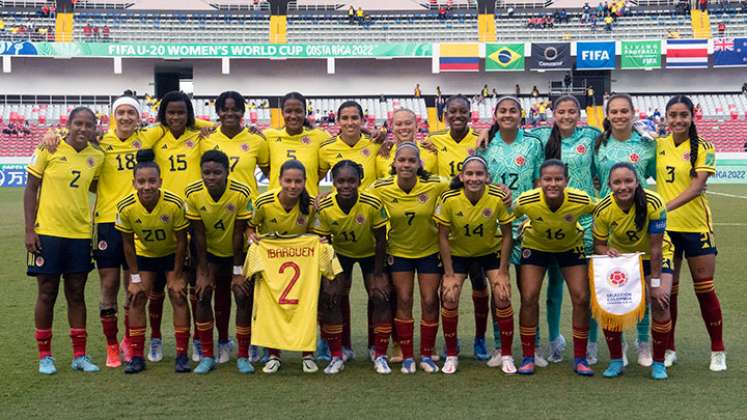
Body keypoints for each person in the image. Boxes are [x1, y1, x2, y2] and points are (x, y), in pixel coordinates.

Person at [25, 107, 105, 375]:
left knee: (76, 294)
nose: (82, 129)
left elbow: (95, 186)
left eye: (88, 125)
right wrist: (29, 230)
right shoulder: (49, 147)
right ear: (68, 125)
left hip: (80, 234)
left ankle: (79, 356)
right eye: (78, 124)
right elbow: (30, 188)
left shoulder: (97, 156)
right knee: (46, 292)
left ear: (95, 128)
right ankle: (45, 356)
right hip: (47, 232)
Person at [656, 95, 726, 372]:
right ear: (666, 117)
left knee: (704, 290)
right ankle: (670, 348)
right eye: (672, 115)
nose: (677, 120)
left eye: (683, 115)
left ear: (691, 116)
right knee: (667, 293)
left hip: (696, 227)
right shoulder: (658, 146)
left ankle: (717, 350)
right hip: (666, 231)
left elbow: (697, 187)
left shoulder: (704, 147)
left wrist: (662, 207)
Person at [477, 96, 544, 367]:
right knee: (500, 292)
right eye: (502, 111)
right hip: (496, 228)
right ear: (495, 115)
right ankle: (498, 346)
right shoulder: (484, 144)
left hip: (527, 226)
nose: (508, 115)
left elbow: (540, 181)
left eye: (512, 110)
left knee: (529, 293)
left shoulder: (533, 144)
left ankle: (534, 346)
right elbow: (478, 181)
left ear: (521, 114)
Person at [512, 160, 596, 376]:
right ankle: (529, 357)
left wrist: (604, 241)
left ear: (566, 181)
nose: (553, 183)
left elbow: (603, 210)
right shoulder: (526, 200)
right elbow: (508, 214)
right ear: (539, 181)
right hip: (535, 246)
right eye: (547, 179)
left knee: (581, 298)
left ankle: (580, 358)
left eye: (558, 179)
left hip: (569, 247)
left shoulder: (580, 199)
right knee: (529, 297)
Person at [532, 95, 600, 364]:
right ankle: (554, 340)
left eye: (572, 111)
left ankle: (591, 343)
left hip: (584, 224)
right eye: (561, 111)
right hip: (552, 222)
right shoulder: (541, 139)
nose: (567, 116)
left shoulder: (591, 137)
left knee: (586, 289)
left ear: (579, 114)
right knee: (554, 286)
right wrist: (486, 133)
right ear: (553, 113)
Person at [370, 143, 449, 374]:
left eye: (411, 161)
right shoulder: (381, 187)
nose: (406, 164)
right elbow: (357, 196)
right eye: (402, 160)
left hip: (429, 251)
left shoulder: (435, 184)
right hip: (399, 252)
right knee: (403, 300)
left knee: (429, 300)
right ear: (394, 163)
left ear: (419, 163)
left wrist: (501, 190)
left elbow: (464, 183)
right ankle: (406, 356)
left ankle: (426, 354)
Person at [434, 156, 516, 374]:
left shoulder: (498, 197)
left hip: (489, 252)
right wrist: (449, 274)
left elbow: (508, 235)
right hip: (459, 254)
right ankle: (452, 354)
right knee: (449, 295)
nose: (474, 178)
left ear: (487, 177)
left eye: (479, 174)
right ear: (461, 176)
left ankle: (506, 354)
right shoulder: (449, 198)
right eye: (469, 174)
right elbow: (442, 237)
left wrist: (503, 271)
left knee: (502, 293)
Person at [428, 95, 494, 360]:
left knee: (479, 281)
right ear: (445, 115)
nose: (457, 115)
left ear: (470, 114)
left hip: (477, 222)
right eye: (452, 111)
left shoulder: (481, 139)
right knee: (448, 287)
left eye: (462, 111)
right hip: (447, 223)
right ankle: (449, 342)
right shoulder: (433, 142)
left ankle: (479, 339)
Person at [593, 162, 674, 380]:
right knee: (610, 305)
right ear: (609, 185)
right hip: (623, 261)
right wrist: (607, 250)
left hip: (653, 257)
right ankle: (617, 360)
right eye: (617, 182)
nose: (623, 187)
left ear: (637, 182)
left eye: (628, 181)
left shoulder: (654, 202)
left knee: (660, 303)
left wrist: (655, 284)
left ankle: (658, 363)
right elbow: (598, 244)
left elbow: (656, 248)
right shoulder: (603, 208)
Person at [594, 93, 657, 366]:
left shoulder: (646, 145)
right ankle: (613, 344)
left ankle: (643, 343)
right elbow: (594, 179)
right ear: (607, 116)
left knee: (642, 289)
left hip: (641, 223)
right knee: (609, 287)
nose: (619, 116)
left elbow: (658, 178)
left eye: (624, 111)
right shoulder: (599, 144)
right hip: (607, 223)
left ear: (633, 113)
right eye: (614, 112)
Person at [312, 160, 392, 374]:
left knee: (381, 294)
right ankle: (337, 355)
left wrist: (378, 273)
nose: (346, 186)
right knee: (330, 296)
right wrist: (330, 272)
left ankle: (379, 353)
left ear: (359, 181)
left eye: (351, 181)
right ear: (333, 182)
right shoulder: (326, 206)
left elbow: (381, 239)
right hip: (341, 255)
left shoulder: (372, 203)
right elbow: (323, 241)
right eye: (340, 181)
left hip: (370, 254)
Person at [116, 150, 190, 374]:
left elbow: (180, 242)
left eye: (151, 181)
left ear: (160, 181)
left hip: (171, 255)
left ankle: (181, 355)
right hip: (145, 255)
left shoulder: (175, 204)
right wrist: (135, 278)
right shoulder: (125, 206)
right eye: (141, 181)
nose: (146, 186)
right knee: (137, 296)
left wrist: (177, 275)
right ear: (134, 183)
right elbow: (128, 244)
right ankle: (136, 356)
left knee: (178, 294)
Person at [248, 160, 318, 374]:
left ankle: (307, 355)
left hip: (301, 264)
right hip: (271, 263)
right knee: (271, 308)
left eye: (298, 181)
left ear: (305, 182)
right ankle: (273, 355)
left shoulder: (311, 204)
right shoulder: (264, 202)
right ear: (279, 181)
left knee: (305, 306)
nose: (293, 186)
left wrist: (319, 241)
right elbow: (250, 227)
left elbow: (316, 233)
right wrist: (252, 238)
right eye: (288, 181)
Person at [185, 150, 252, 374]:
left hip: (237, 254)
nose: (211, 177)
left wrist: (238, 270)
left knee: (242, 295)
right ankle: (207, 355)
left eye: (217, 172)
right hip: (209, 254)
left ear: (227, 172)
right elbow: (198, 234)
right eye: (206, 173)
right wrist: (203, 271)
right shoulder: (193, 193)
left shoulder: (241, 192)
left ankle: (242, 355)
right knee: (202, 295)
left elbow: (238, 233)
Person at [201, 91, 268, 199]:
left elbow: (270, 174)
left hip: (248, 205)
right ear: (218, 112)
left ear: (242, 112)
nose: (230, 113)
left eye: (235, 109)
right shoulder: (206, 139)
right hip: (216, 206)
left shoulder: (257, 140)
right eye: (225, 110)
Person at [264, 92, 329, 197]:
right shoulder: (268, 136)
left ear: (305, 112)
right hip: (275, 207)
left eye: (298, 111)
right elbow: (265, 168)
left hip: (309, 206)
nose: (293, 116)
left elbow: (321, 173)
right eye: (288, 111)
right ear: (282, 113)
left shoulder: (320, 137)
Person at [319, 101, 380, 190]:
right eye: (344, 118)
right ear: (338, 121)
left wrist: (383, 132)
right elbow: (316, 179)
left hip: (369, 203)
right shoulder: (326, 148)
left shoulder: (375, 144)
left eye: (354, 118)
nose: (350, 123)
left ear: (362, 120)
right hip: (340, 203)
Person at [376, 108, 438, 178]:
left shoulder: (431, 152)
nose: (403, 127)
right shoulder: (382, 155)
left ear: (416, 126)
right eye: (398, 124)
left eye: (408, 123)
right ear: (392, 128)